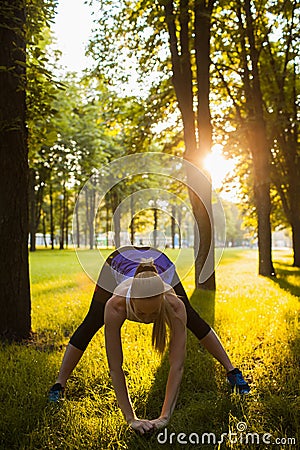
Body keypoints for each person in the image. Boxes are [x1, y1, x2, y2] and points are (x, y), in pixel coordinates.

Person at [49, 246, 250, 434]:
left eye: (153, 314)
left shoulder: (174, 305)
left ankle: (232, 371)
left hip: (160, 262)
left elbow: (177, 365)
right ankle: (59, 384)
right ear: (131, 304)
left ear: (162, 301)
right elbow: (115, 367)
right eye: (141, 314)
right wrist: (131, 419)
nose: (146, 320)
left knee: (193, 318)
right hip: (117, 262)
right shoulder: (115, 306)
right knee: (92, 320)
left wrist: (165, 417)